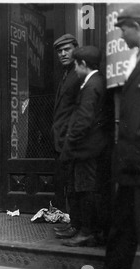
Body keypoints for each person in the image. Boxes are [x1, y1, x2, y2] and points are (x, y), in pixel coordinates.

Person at [98, 4, 140, 269]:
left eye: (124, 27)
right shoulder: (137, 59)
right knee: (124, 221)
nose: (121, 33)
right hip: (130, 159)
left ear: (139, 26)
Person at [58, 46, 110, 247]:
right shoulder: (96, 82)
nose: (75, 70)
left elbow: (83, 120)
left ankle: (87, 232)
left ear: (83, 65)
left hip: (87, 149)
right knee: (85, 188)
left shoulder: (91, 85)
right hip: (91, 148)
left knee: (86, 189)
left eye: (76, 66)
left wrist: (70, 144)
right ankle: (84, 230)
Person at [51, 34, 83, 239]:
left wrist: (69, 136)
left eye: (67, 49)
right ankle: (75, 223)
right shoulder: (66, 74)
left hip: (72, 141)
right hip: (62, 140)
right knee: (70, 185)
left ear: (76, 50)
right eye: (59, 51)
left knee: (77, 185)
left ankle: (79, 226)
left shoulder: (78, 74)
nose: (63, 54)